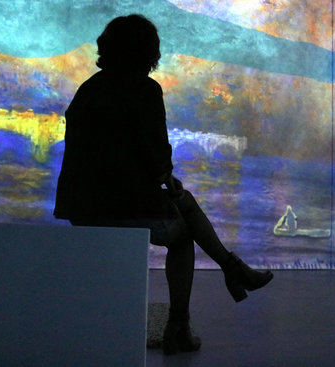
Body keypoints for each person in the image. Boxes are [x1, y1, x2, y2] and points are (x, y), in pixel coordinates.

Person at [53, 14, 273, 355]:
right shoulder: (144, 89)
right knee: (183, 235)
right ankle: (183, 323)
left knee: (183, 201)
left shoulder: (89, 89)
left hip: (81, 207)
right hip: (118, 208)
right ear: (148, 52)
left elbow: (113, 157)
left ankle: (234, 270)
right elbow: (154, 148)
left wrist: (164, 180)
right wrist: (165, 178)